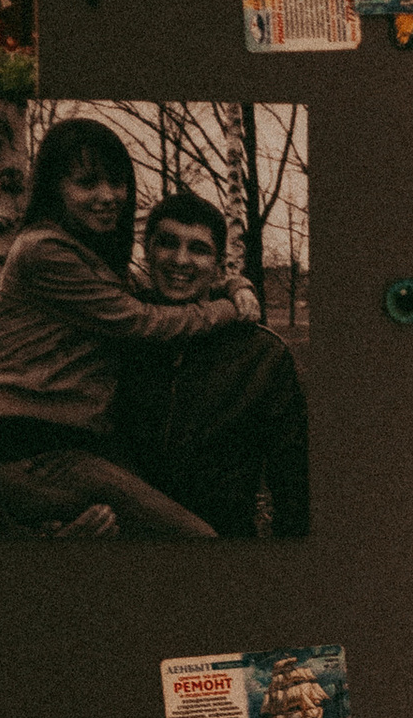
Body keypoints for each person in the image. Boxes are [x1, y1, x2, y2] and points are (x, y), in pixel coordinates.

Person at [0, 120, 258, 538]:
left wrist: (232, 283)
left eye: (117, 182)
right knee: (198, 538)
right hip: (34, 450)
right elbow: (143, 321)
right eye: (87, 183)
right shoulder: (44, 250)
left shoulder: (88, 255)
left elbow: (151, 290)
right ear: (54, 188)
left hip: (74, 446)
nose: (108, 196)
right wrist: (227, 309)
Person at [110, 185, 310, 539]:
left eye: (198, 249)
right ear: (147, 251)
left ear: (218, 265)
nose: (180, 260)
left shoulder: (262, 355)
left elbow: (294, 486)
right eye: (167, 243)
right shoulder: (115, 336)